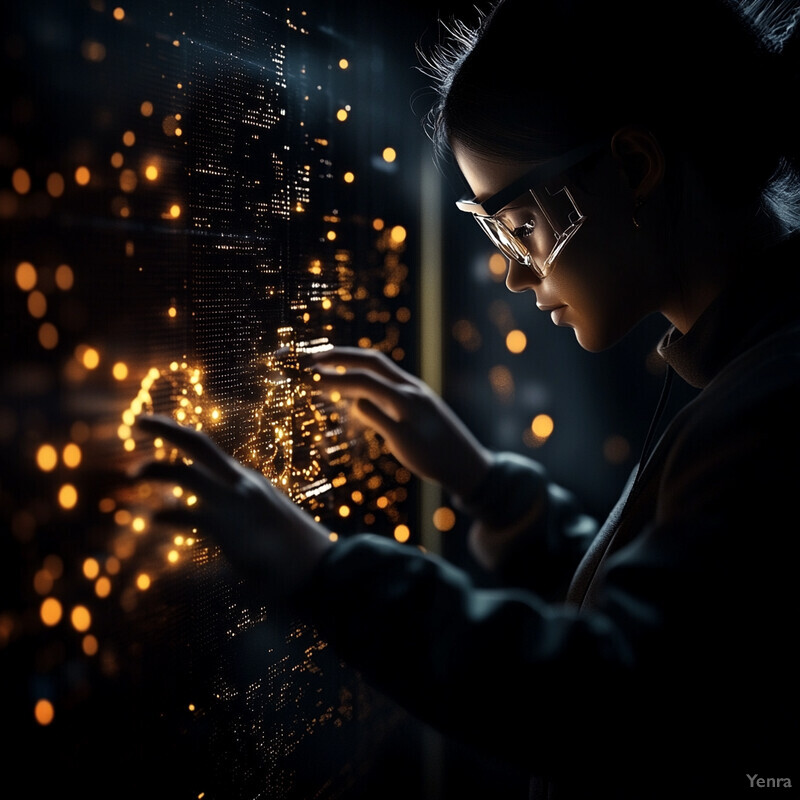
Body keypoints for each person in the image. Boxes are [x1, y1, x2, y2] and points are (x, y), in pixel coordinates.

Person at [133, 0, 800, 796]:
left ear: (633, 166)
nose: (517, 272)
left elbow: (615, 702)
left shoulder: (772, 402)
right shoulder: (750, 376)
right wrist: (488, 487)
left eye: (520, 226)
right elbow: (691, 624)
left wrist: (325, 572)